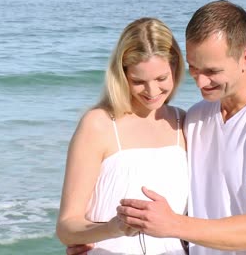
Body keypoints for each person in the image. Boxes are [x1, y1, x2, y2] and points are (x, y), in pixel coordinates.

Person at [116, 0, 246, 255]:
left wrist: (174, 224)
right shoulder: (197, 116)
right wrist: (95, 236)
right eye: (193, 68)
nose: (200, 81)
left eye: (212, 71)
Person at [56, 17, 189, 255]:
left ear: (176, 69)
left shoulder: (184, 123)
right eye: (138, 81)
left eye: (161, 79)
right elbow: (67, 228)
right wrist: (113, 228)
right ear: (122, 74)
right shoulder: (99, 124)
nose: (151, 92)